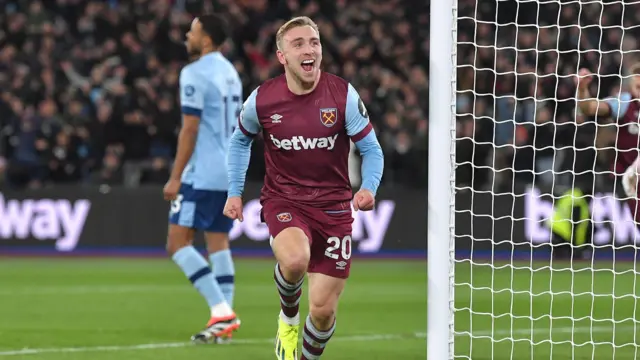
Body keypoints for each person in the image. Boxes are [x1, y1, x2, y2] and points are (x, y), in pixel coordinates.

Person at [224, 16, 384, 360]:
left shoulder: (342, 94)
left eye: (314, 42)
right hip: (285, 200)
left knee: (324, 313)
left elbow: (371, 149)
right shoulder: (263, 99)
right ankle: (287, 318)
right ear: (282, 57)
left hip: (335, 209)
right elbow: (239, 143)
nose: (309, 49)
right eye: (298, 44)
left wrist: (368, 187)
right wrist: (235, 192)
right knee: (295, 260)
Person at [163, 14, 242, 344]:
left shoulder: (193, 73)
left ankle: (221, 311)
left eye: (192, 31)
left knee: (177, 243)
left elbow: (190, 128)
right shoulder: (231, 72)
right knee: (218, 244)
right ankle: (223, 327)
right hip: (228, 170)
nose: (186, 35)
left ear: (206, 39)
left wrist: (175, 176)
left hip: (202, 172)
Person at [575, 65, 640, 225]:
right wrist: (582, 89)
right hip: (631, 179)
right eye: (638, 87)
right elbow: (589, 107)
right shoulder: (625, 102)